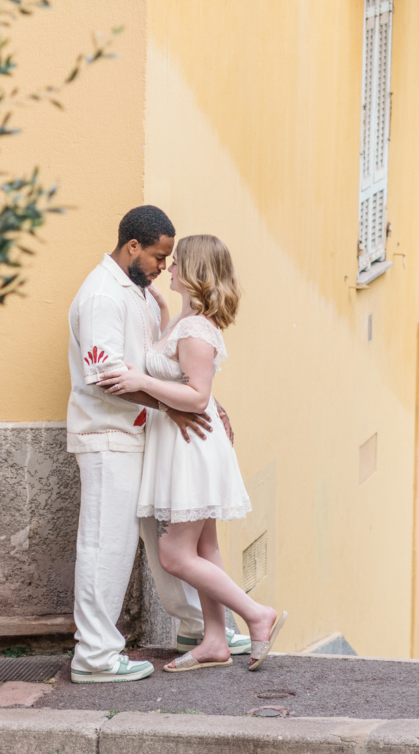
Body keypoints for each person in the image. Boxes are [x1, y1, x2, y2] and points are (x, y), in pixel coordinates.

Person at [67, 205, 250, 684]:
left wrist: (207, 406)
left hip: (147, 432)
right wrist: (177, 407)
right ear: (133, 247)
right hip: (109, 435)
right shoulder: (103, 297)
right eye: (157, 256)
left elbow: (176, 367)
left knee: (162, 540)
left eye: (169, 259)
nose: (163, 267)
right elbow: (107, 375)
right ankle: (96, 656)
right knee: (107, 544)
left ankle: (199, 629)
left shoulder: (142, 294)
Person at [101, 233, 286, 672]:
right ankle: (216, 640)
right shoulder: (183, 320)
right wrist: (162, 316)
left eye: (178, 261)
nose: (170, 267)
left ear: (196, 271)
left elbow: (198, 396)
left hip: (191, 447)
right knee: (204, 549)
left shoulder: (197, 329)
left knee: (174, 555)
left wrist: (141, 382)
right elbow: (184, 375)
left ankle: (258, 615)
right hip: (185, 444)